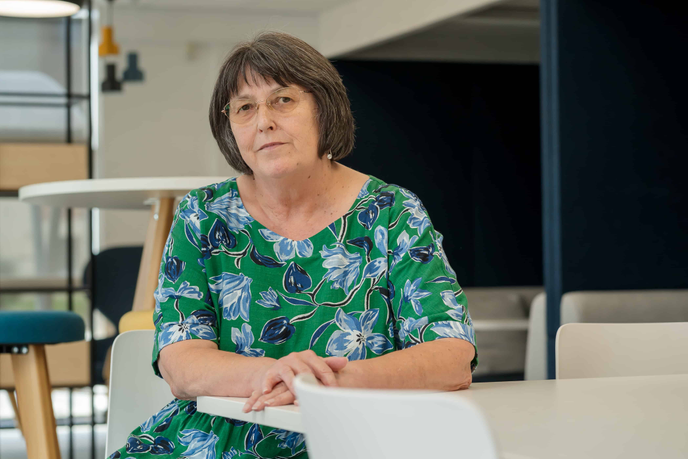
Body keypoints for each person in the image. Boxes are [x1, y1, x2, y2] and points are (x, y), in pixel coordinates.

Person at [109, 31, 477, 459]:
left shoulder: (393, 212)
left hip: (360, 437)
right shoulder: (202, 215)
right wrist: (275, 373)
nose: (264, 120)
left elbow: (451, 356)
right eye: (245, 107)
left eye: (283, 100)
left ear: (324, 108)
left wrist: (326, 385)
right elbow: (180, 364)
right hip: (216, 439)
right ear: (230, 127)